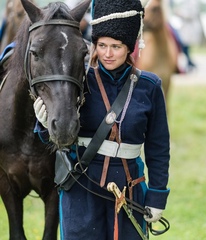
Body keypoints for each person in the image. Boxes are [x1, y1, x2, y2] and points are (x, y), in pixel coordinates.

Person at [34, 0, 170, 239]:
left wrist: (157, 195)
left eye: (116, 46)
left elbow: (158, 147)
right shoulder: (80, 81)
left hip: (130, 190)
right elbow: (60, 135)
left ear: (129, 47)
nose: (108, 54)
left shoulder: (150, 87)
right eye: (102, 45)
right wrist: (45, 126)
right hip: (82, 190)